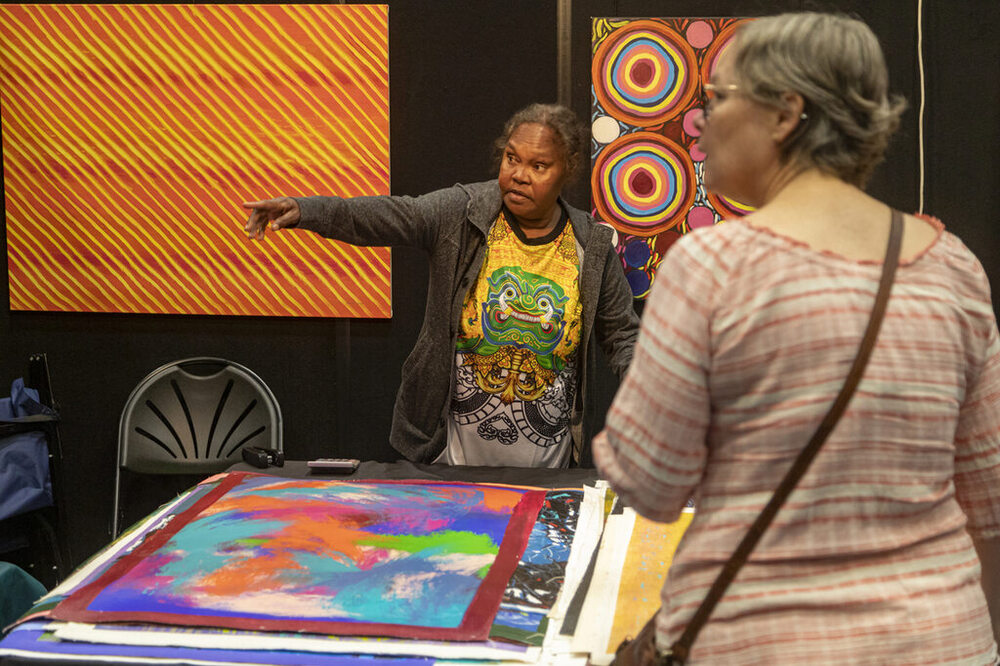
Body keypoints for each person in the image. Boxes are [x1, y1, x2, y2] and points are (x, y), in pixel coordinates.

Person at [593, 12, 1000, 664]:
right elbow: (989, 499)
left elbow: (650, 484)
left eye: (715, 99)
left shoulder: (711, 267)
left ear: (785, 114)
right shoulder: (954, 267)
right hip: (946, 641)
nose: (699, 123)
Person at [244, 103, 639, 468]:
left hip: (546, 471)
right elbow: (388, 215)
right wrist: (307, 210)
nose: (519, 174)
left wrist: (652, 392)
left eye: (538, 166)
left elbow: (623, 336)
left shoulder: (591, 246)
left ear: (567, 170)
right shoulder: (461, 214)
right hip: (449, 465)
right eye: (512, 158)